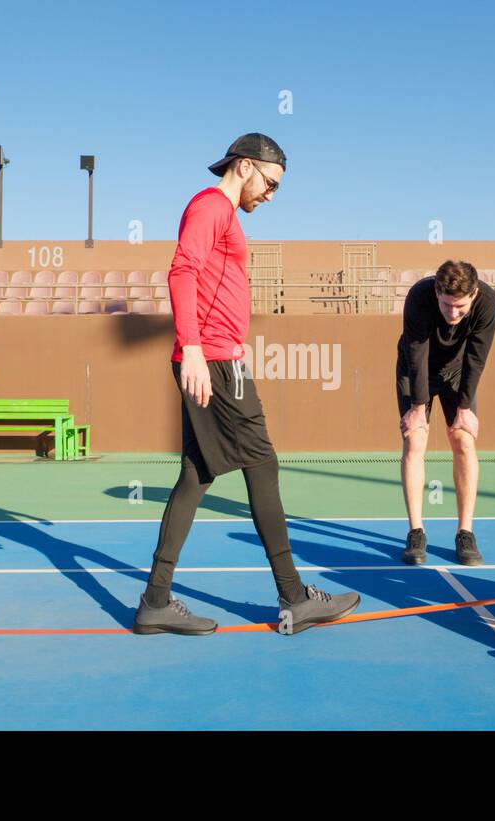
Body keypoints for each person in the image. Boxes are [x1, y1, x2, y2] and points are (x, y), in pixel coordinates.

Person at [133, 133, 361, 637]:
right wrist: (192, 347)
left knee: (196, 475)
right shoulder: (212, 205)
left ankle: (155, 601)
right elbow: (182, 270)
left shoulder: (224, 215)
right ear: (244, 167)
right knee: (262, 465)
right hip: (214, 360)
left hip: (213, 357)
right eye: (271, 183)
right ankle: (294, 596)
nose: (271, 195)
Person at [396, 261, 495, 566]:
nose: (453, 314)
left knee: (463, 440)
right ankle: (416, 532)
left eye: (461, 307)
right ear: (437, 292)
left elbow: (477, 357)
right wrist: (417, 407)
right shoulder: (419, 297)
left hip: (457, 372)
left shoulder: (488, 303)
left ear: (475, 294)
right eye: (446, 305)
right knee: (415, 440)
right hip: (416, 370)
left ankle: (465, 533)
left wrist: (464, 408)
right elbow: (417, 353)